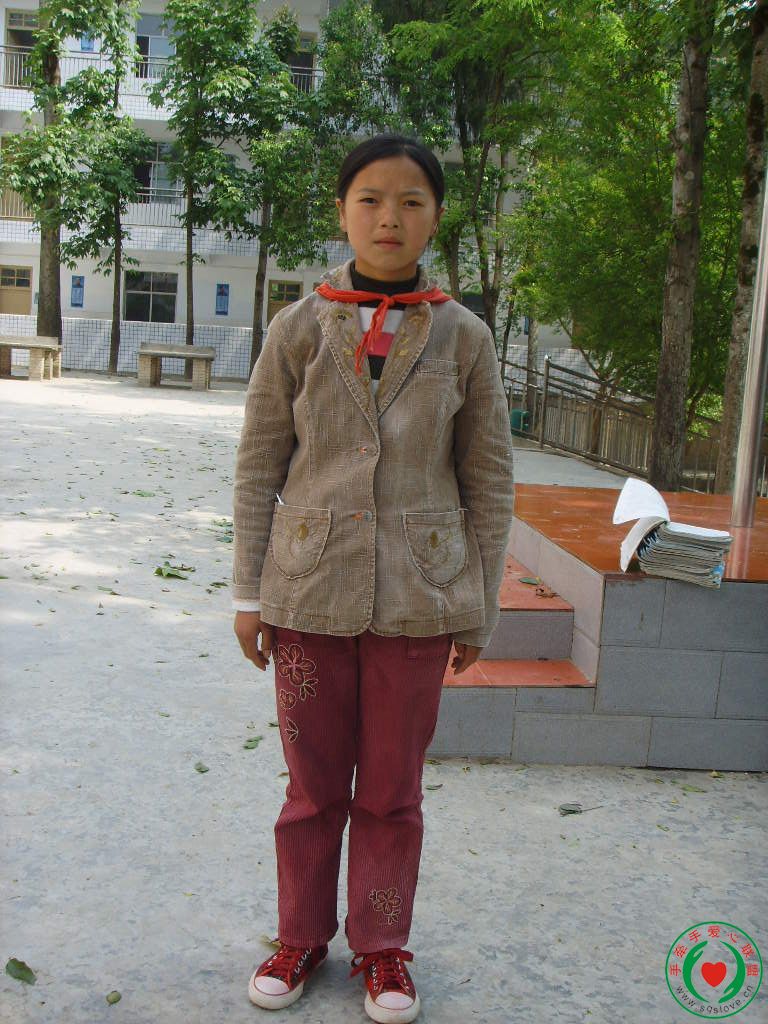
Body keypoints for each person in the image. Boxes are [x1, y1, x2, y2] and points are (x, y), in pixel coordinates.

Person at [232, 132, 515, 1023]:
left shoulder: (464, 336)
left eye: (411, 202)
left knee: (392, 791)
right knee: (311, 786)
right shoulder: (299, 327)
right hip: (308, 590)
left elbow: (488, 479)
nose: (390, 217)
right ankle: (300, 935)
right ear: (342, 211)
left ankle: (384, 946)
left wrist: (479, 604)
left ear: (436, 217)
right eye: (370, 199)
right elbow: (258, 465)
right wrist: (248, 594)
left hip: (418, 602)